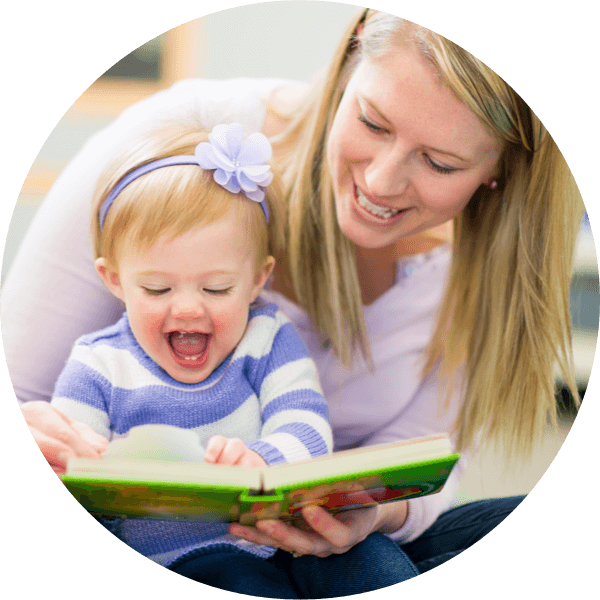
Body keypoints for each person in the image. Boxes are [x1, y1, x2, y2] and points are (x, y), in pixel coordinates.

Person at [4, 6, 583, 588]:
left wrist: (372, 510)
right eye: (373, 123)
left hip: (335, 541)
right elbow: (26, 388)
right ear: (350, 57)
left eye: (439, 162)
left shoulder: (468, 270)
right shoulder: (175, 154)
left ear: (499, 172)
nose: (380, 182)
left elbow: (425, 467)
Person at [46, 121, 418, 596]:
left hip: (289, 538)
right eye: (157, 288)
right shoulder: (98, 366)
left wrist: (258, 462)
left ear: (258, 279)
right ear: (115, 279)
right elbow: (76, 464)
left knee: (373, 560)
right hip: (187, 557)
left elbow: (306, 428)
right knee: (235, 578)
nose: (187, 307)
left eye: (216, 288)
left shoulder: (266, 337)